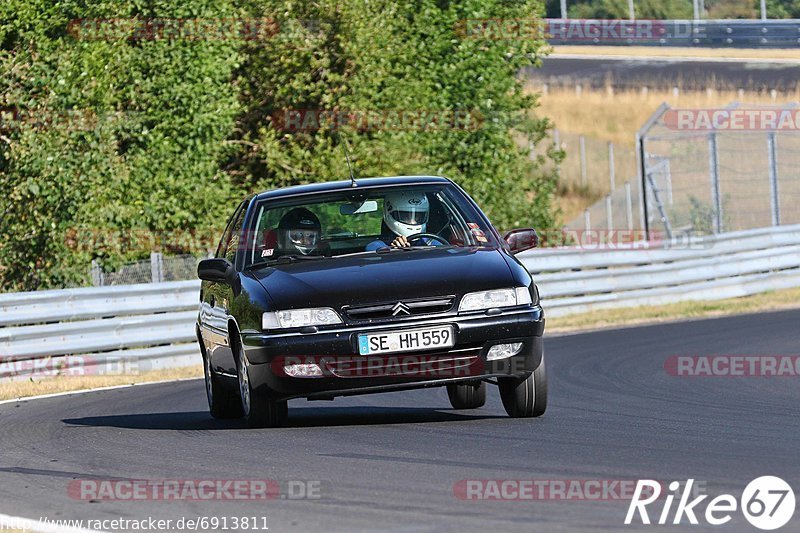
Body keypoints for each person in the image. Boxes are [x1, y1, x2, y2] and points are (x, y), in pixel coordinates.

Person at [366, 191, 440, 251]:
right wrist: (393, 251)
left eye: (418, 217)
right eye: (406, 216)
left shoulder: (432, 243)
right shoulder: (377, 247)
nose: (413, 222)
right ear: (390, 214)